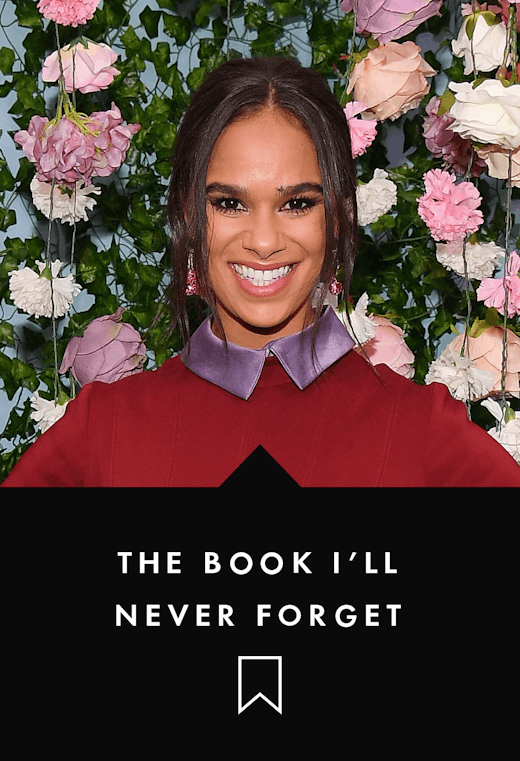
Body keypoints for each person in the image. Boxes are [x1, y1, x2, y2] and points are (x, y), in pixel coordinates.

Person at [2, 55, 520, 487]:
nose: (265, 242)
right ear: (188, 216)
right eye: (230, 203)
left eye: (297, 203)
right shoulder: (105, 431)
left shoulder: (423, 433)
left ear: (336, 219)